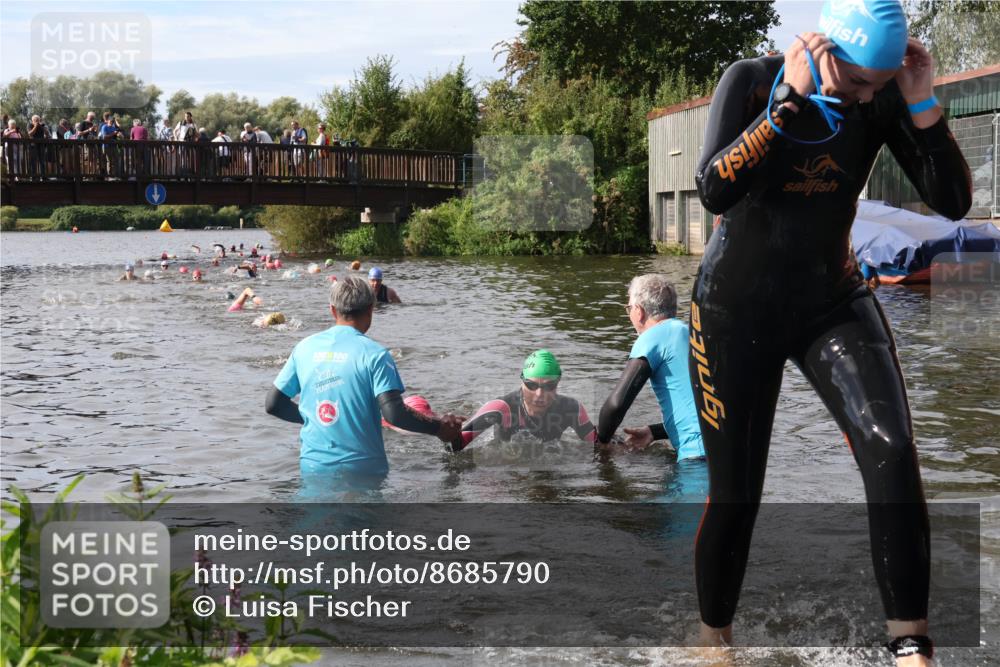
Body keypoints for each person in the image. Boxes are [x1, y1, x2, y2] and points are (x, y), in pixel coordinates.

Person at [690, 1, 971, 662]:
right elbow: (712, 188)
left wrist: (922, 101)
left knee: (892, 445)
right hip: (734, 311)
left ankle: (910, 643)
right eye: (859, 83)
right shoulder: (752, 81)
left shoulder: (880, 97)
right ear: (824, 50)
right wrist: (786, 103)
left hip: (830, 299)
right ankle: (713, 643)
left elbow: (953, 200)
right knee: (737, 493)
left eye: (881, 83)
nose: (870, 97)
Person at [265, 275, 463, 478]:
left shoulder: (304, 348)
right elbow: (394, 414)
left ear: (332, 310)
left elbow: (274, 404)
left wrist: (318, 419)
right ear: (371, 308)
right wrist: (439, 428)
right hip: (363, 470)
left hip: (313, 467)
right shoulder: (375, 355)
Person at [595, 274, 705, 461]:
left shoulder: (652, 337)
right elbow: (698, 410)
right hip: (724, 451)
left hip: (695, 457)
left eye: (628, 308)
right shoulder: (693, 335)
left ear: (639, 311)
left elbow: (615, 405)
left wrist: (601, 442)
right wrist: (653, 432)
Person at [451, 350, 596, 451]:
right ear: (522, 381)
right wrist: (450, 434)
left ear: (558, 383)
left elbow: (599, 444)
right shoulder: (500, 408)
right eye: (532, 385)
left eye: (549, 386)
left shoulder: (571, 408)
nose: (540, 394)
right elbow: (455, 446)